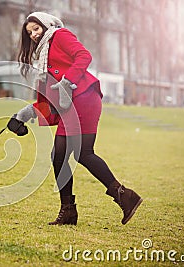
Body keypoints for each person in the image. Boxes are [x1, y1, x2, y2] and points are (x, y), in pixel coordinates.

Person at [9, 12, 142, 225]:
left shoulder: (59, 35)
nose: (33, 34)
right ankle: (109, 201)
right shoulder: (43, 58)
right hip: (73, 105)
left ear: (47, 25)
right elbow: (50, 103)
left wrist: (66, 82)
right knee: (65, 155)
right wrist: (22, 116)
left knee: (78, 153)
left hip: (83, 98)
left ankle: (119, 197)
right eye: (29, 32)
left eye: (36, 28)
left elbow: (84, 56)